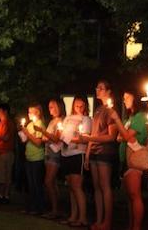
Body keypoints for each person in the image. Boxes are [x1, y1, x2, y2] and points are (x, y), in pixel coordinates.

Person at [80, 80, 124, 230]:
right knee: (97, 187)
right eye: (97, 87)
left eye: (101, 88)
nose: (97, 89)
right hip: (94, 152)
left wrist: (89, 139)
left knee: (105, 187)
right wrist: (87, 153)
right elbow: (94, 132)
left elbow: (111, 136)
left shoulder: (112, 111)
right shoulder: (98, 109)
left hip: (105, 152)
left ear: (109, 91)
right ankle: (99, 221)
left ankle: (107, 221)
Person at [118, 90, 148, 230]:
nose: (124, 100)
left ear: (135, 98)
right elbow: (119, 136)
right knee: (130, 196)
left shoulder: (140, 117)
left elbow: (125, 136)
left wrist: (116, 120)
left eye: (127, 97)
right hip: (126, 159)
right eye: (123, 98)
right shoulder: (129, 118)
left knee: (135, 195)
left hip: (135, 159)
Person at [59, 96, 92, 227]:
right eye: (76, 105)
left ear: (85, 107)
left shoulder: (86, 119)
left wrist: (73, 138)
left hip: (78, 154)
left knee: (77, 187)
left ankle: (82, 217)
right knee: (71, 187)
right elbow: (62, 134)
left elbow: (86, 139)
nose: (78, 108)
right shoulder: (67, 118)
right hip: (65, 153)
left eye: (81, 106)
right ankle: (73, 216)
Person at [34, 99, 65, 219]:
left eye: (53, 106)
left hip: (54, 153)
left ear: (59, 107)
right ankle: (55, 208)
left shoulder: (61, 121)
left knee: (48, 181)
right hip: (48, 152)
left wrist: (43, 132)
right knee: (52, 182)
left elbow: (57, 138)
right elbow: (47, 137)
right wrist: (44, 136)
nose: (50, 109)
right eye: (49, 107)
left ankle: (55, 210)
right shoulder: (52, 121)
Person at [19, 103, 46, 215]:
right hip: (29, 157)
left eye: (31, 112)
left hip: (37, 158)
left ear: (38, 112)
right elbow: (25, 140)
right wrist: (22, 134)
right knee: (30, 184)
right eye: (28, 111)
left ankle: (38, 208)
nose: (29, 114)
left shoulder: (40, 125)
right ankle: (31, 206)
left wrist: (27, 134)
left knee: (36, 184)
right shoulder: (30, 125)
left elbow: (39, 142)